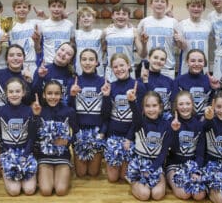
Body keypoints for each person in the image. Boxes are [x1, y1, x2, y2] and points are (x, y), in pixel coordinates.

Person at [0, 78, 39, 196]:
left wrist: (25, 155)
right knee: (14, 191)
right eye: (11, 92)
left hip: (26, 154)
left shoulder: (29, 111)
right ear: (6, 93)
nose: (14, 94)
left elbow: (32, 136)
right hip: (8, 156)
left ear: (23, 93)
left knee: (29, 190)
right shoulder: (0, 112)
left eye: (17, 91)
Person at [103, 53, 146, 183]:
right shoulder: (112, 86)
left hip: (130, 136)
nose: (119, 69)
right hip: (113, 135)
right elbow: (105, 115)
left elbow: (139, 117)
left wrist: (129, 137)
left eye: (122, 65)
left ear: (128, 65)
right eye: (115, 67)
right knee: (112, 178)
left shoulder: (138, 86)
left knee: (124, 177)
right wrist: (105, 96)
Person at [69, 49, 110, 177]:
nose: (87, 63)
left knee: (93, 173)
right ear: (79, 62)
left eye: (91, 59)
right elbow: (69, 111)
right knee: (80, 173)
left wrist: (102, 132)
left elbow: (107, 112)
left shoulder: (103, 82)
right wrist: (72, 96)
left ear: (97, 62)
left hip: (96, 133)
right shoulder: (74, 81)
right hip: (79, 132)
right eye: (84, 59)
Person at [126, 91, 174, 201]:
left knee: (157, 195)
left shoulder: (166, 125)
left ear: (160, 107)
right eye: (147, 106)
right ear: (143, 108)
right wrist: (132, 101)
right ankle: (134, 181)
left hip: (156, 164)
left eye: (154, 106)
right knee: (144, 195)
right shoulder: (140, 123)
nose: (151, 109)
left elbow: (163, 153)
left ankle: (155, 181)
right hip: (139, 165)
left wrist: (152, 169)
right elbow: (136, 115)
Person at [35, 80, 77, 196]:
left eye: (57, 93)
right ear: (44, 95)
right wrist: (35, 117)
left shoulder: (69, 111)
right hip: (44, 156)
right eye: (49, 93)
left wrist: (68, 141)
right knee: (46, 191)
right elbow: (32, 135)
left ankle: (67, 170)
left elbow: (77, 134)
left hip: (62, 156)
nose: (53, 97)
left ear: (62, 95)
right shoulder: (39, 111)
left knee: (61, 191)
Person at [166, 91, 206, 201]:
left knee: (199, 195)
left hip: (192, 165)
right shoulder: (170, 122)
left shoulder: (198, 124)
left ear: (192, 104)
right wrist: (174, 131)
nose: (185, 107)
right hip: (174, 165)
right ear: (176, 106)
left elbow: (200, 153)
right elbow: (170, 149)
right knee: (184, 194)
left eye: (188, 103)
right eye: (181, 104)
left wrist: (197, 171)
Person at [137, 0, 184, 79]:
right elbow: (140, 46)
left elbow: (180, 46)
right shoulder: (144, 22)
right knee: (147, 93)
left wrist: (180, 41)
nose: (159, 3)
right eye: (156, 1)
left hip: (167, 67)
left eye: (162, 1)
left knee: (167, 93)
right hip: (148, 67)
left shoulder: (173, 22)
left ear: (166, 5)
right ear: (151, 4)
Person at [102, 3, 146, 82]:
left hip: (128, 70)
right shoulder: (106, 31)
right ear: (112, 16)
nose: (121, 16)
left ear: (128, 17)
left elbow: (142, 54)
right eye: (118, 14)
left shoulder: (133, 31)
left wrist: (144, 43)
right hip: (111, 70)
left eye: (124, 14)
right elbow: (102, 50)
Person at [177, 0, 212, 75]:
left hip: (203, 65)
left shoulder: (209, 24)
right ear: (187, 7)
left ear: (203, 8)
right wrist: (181, 41)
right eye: (193, 6)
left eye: (199, 6)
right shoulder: (181, 24)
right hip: (186, 66)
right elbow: (179, 46)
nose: (196, 9)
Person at [173, 49, 213, 118]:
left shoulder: (209, 81)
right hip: (184, 121)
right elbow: (174, 104)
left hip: (205, 122)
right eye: (193, 61)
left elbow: (212, 104)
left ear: (204, 63)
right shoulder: (178, 81)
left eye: (200, 61)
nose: (196, 64)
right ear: (187, 62)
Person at [39, 0, 75, 65]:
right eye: (53, 6)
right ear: (49, 7)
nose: (56, 9)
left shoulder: (69, 25)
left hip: (65, 64)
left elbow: (72, 45)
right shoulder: (42, 25)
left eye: (59, 6)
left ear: (64, 8)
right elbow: (38, 47)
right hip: (48, 64)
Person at [10, 0, 41, 74]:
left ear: (29, 9)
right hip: (16, 63)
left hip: (31, 63)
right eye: (18, 7)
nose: (22, 9)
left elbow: (52, 21)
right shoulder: (9, 25)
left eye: (24, 7)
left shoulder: (35, 23)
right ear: (14, 9)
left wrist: (44, 16)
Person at [138, 48, 174, 114]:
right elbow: (141, 104)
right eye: (155, 57)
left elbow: (173, 104)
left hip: (165, 121)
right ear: (149, 58)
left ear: (165, 62)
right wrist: (145, 81)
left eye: (162, 59)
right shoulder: (139, 81)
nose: (158, 61)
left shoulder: (170, 81)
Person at [75, 6, 104, 76]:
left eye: (89, 16)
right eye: (83, 16)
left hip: (97, 71)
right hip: (80, 70)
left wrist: (128, 24)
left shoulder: (100, 33)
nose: (86, 18)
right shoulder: (75, 33)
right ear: (79, 20)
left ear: (94, 19)